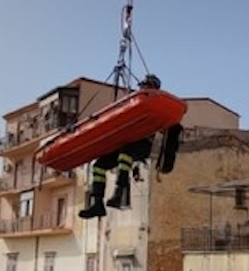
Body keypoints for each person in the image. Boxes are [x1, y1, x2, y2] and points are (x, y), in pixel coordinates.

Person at [78, 75, 183, 219]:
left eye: (146, 85)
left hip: (144, 144)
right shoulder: (136, 102)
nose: (142, 88)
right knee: (99, 165)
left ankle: (119, 192)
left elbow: (168, 127)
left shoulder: (158, 106)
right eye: (142, 85)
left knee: (125, 154)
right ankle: (97, 204)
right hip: (125, 143)